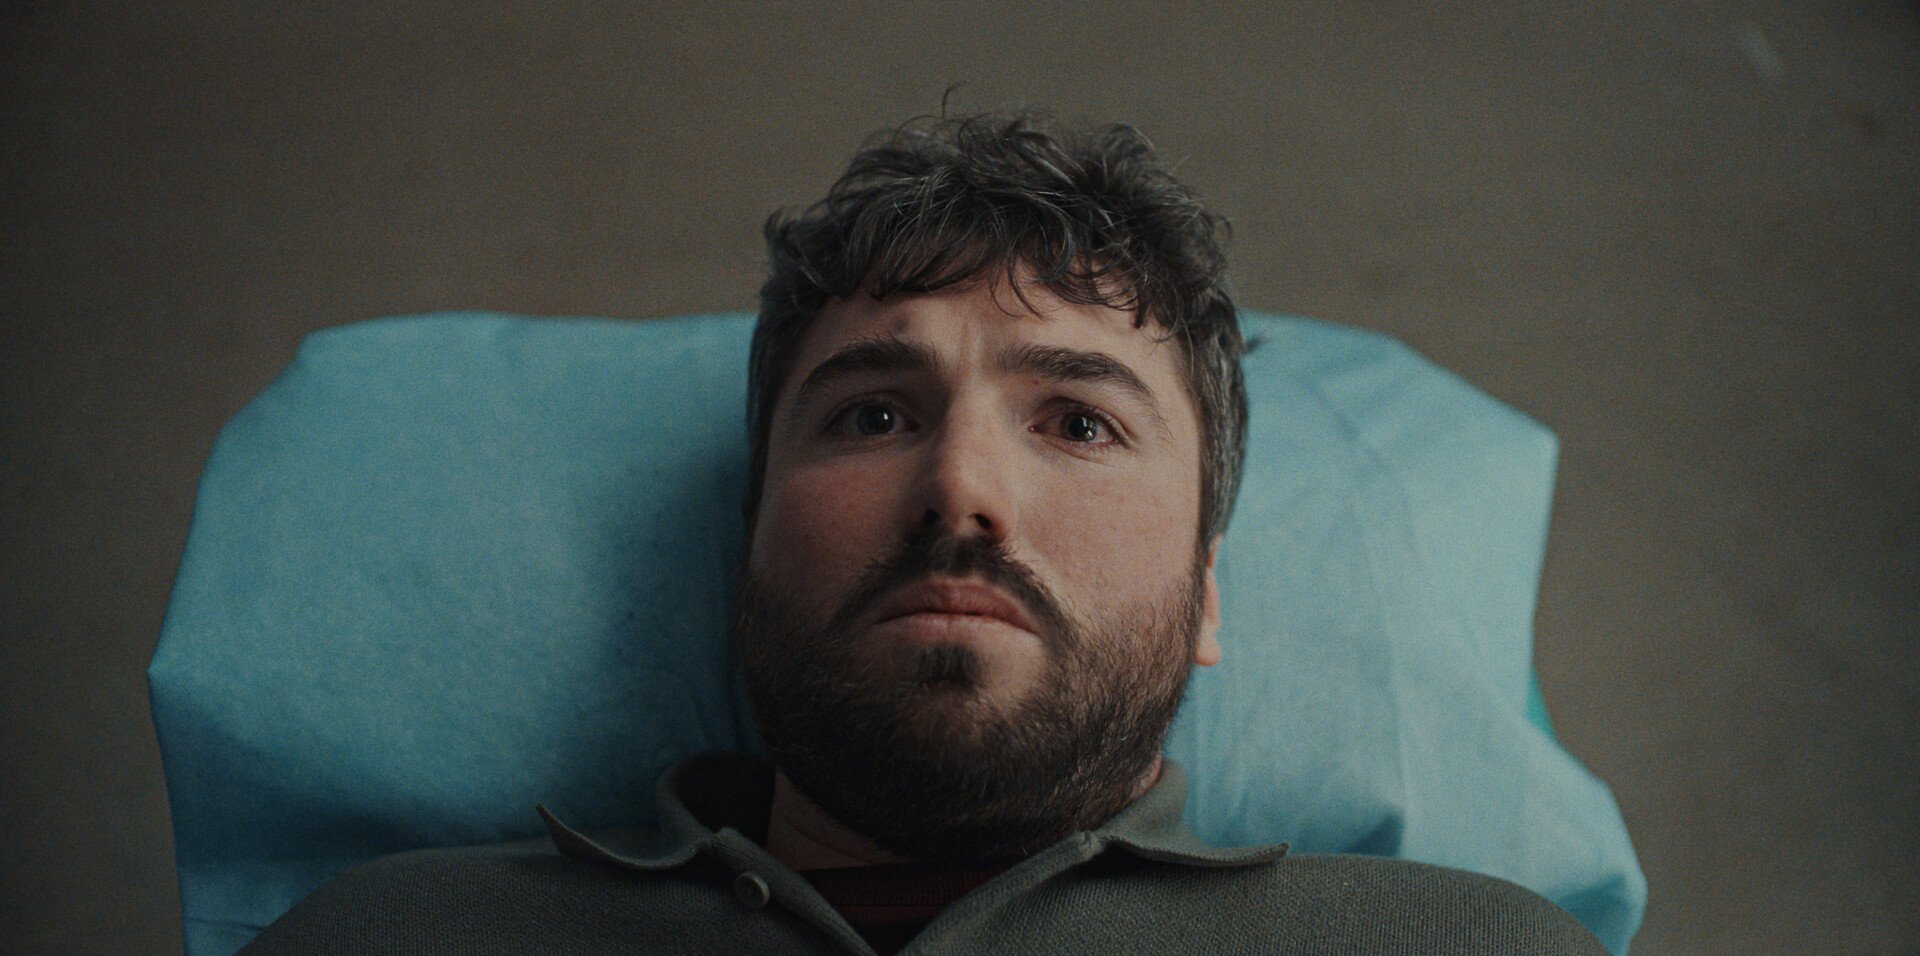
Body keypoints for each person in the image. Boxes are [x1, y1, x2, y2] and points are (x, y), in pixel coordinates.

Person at [241, 111, 1605, 955]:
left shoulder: (1467, 950)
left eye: (1078, 423)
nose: (961, 489)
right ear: (747, 551)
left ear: (1207, 595)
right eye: (875, 415)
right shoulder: (387, 939)